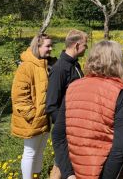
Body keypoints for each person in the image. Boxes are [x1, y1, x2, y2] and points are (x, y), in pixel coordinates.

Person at [52, 40, 123, 179]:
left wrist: (68, 173)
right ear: (117, 62)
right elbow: (121, 149)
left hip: (76, 173)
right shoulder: (120, 93)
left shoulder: (72, 88)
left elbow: (58, 135)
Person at [46, 29, 88, 179]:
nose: (86, 48)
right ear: (76, 45)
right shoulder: (60, 69)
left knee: (64, 164)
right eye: (85, 45)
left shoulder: (75, 65)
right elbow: (51, 104)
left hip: (76, 126)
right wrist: (65, 125)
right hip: (66, 128)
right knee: (62, 164)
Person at [11, 33, 53, 179]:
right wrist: (32, 115)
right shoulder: (27, 67)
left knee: (39, 151)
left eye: (51, 45)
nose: (51, 49)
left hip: (45, 118)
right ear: (38, 46)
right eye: (48, 46)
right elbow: (19, 96)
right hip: (33, 119)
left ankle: (36, 176)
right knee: (30, 153)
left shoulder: (45, 64)